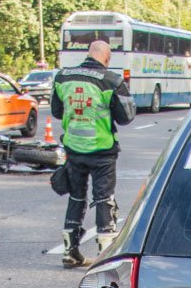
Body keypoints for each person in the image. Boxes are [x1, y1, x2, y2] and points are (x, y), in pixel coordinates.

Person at [51, 40, 137, 267]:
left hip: (74, 148)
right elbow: (126, 117)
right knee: (104, 198)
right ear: (107, 58)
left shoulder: (63, 77)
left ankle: (70, 252)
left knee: (77, 196)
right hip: (102, 151)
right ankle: (105, 256)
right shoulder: (111, 81)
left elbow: (56, 112)